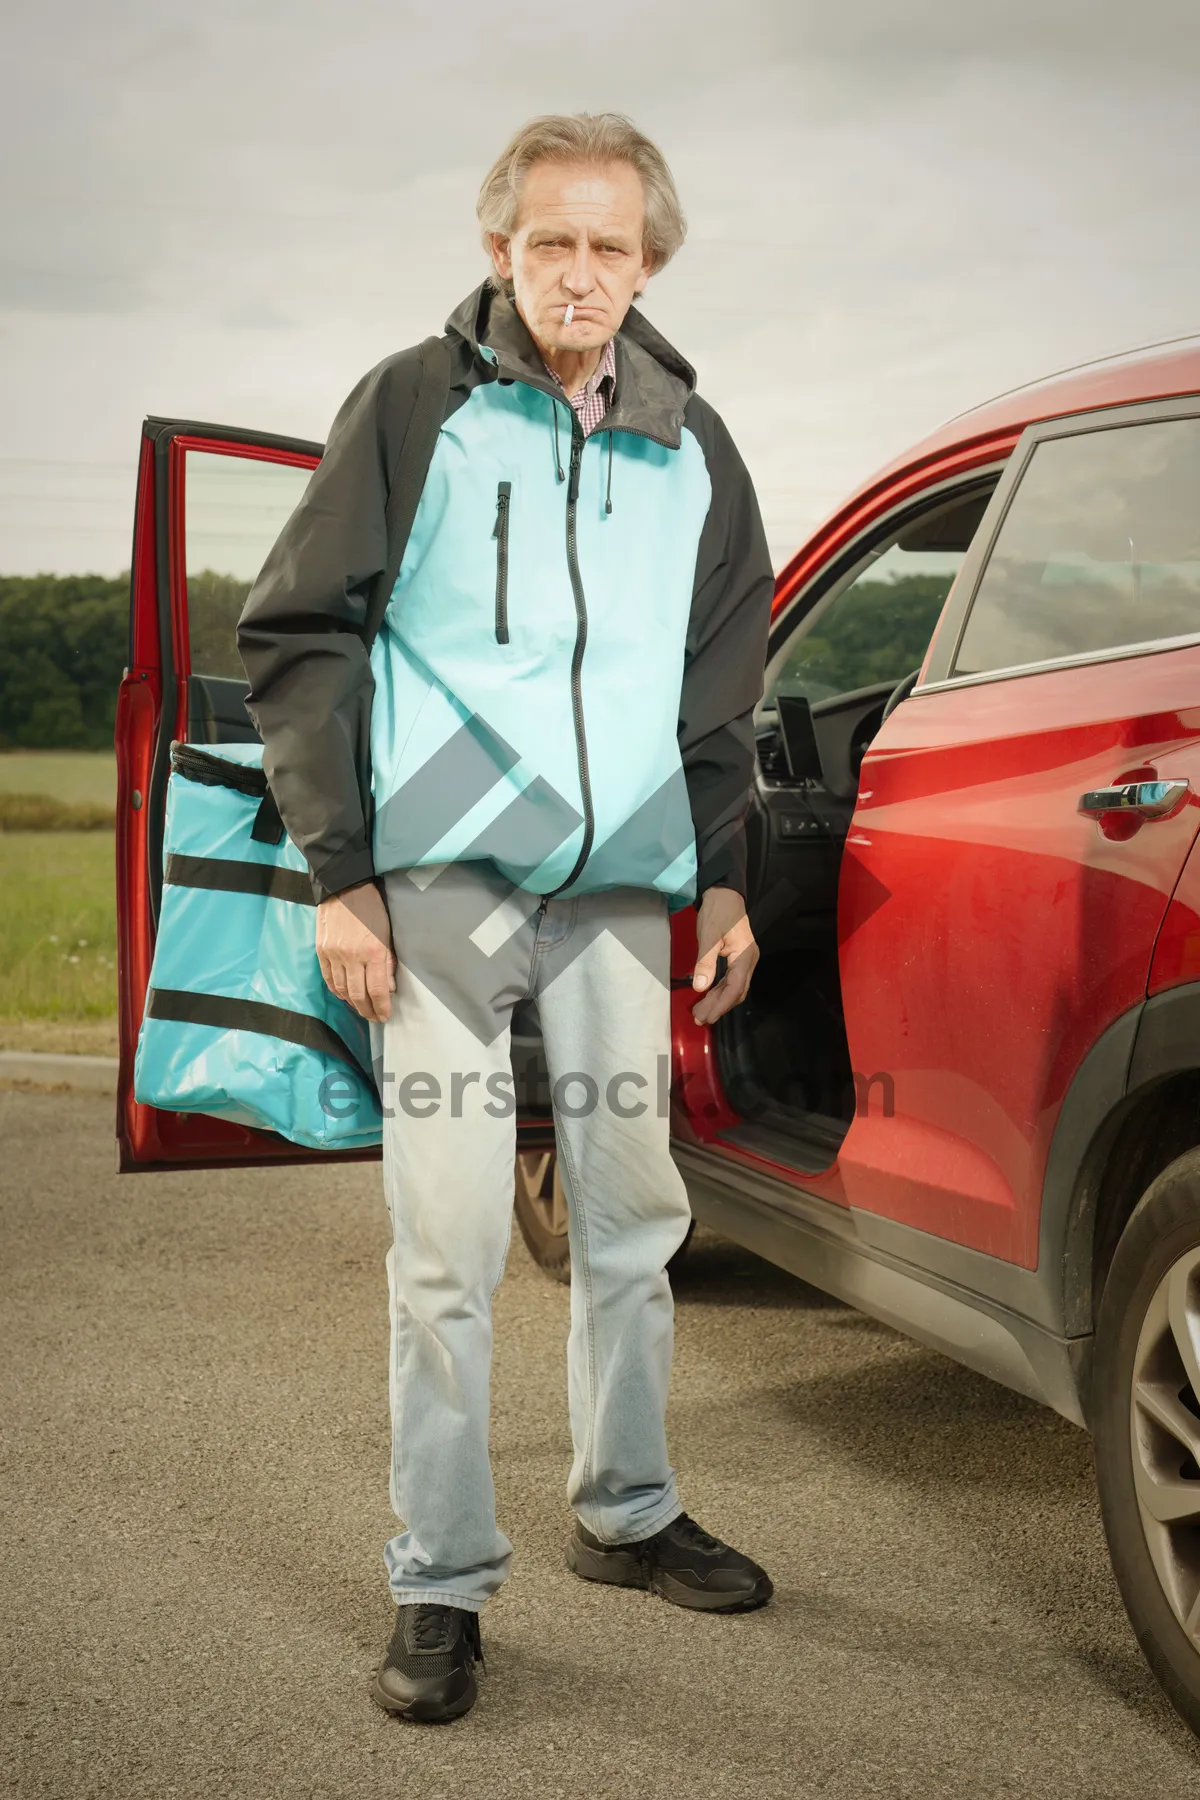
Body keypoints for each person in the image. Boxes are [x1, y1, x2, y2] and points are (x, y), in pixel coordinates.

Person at [237, 111, 777, 1726]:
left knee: (631, 1215)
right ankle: (441, 1576)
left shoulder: (696, 445)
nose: (581, 272)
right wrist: (343, 876)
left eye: (613, 245)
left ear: (649, 263)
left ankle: (625, 1508)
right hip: (447, 885)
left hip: (621, 884)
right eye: (553, 240)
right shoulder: (415, 404)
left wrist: (727, 868)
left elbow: (718, 685)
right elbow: (300, 634)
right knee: (454, 1240)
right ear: (501, 251)